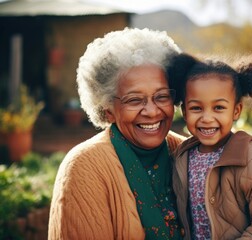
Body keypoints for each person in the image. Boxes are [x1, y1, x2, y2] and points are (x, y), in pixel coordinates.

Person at [48, 28, 187, 239]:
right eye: (134, 100)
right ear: (108, 110)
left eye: (161, 96)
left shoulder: (190, 152)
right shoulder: (84, 167)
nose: (151, 111)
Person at [167, 53, 252, 240]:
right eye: (196, 108)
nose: (207, 118)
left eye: (218, 108)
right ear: (184, 111)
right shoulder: (182, 155)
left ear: (236, 110)